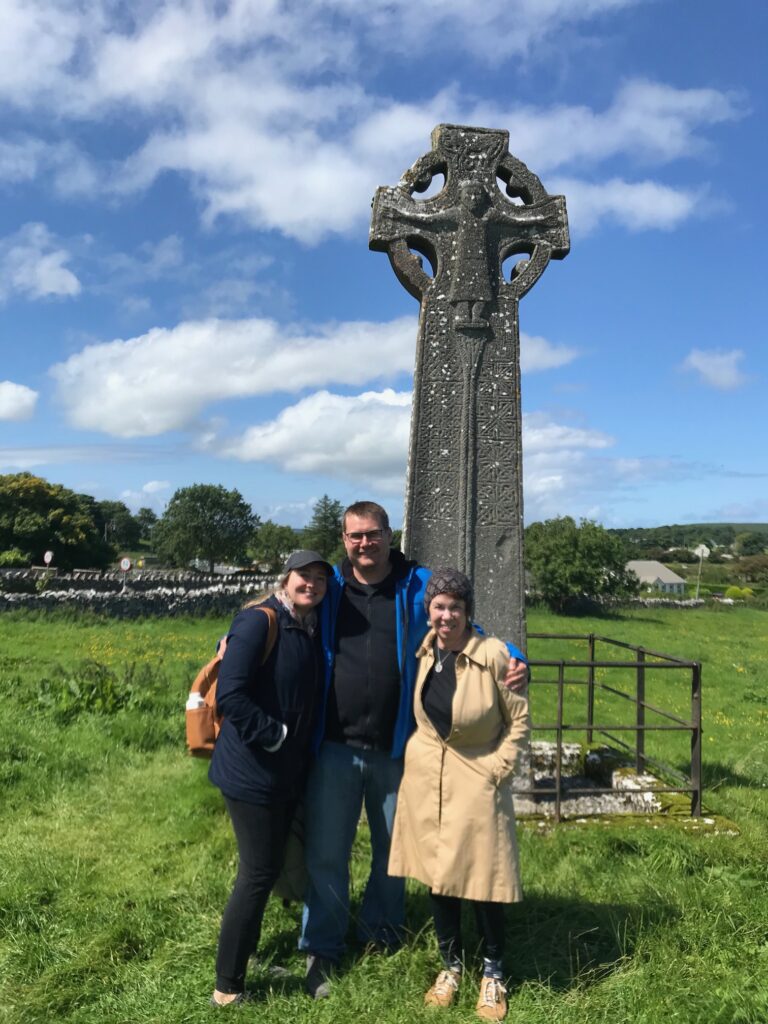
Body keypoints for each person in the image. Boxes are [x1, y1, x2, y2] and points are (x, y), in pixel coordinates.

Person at [298, 501, 528, 999]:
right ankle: (323, 945)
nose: (365, 544)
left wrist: (514, 656)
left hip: (399, 747)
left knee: (393, 852)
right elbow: (279, 604)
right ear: (345, 540)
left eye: (373, 534)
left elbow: (459, 621)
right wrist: (234, 637)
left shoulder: (415, 581)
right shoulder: (330, 586)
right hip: (335, 743)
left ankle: (382, 935)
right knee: (328, 853)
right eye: (356, 536)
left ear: (388, 534)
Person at [388, 569, 530, 1021]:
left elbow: (520, 720)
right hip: (429, 776)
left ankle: (492, 972)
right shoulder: (427, 650)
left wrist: (498, 769)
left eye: (455, 607)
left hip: (477, 773)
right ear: (428, 610)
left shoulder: (493, 655)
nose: (446, 615)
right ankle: (451, 965)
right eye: (439, 606)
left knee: (484, 877)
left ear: (469, 612)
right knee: (439, 875)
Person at [208, 550, 331, 1007]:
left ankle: (250, 957)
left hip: (280, 772)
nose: (312, 584)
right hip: (252, 771)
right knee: (258, 873)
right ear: (287, 577)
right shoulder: (260, 621)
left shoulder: (307, 625)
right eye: (305, 576)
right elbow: (232, 695)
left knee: (267, 868)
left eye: (320, 579)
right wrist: (275, 735)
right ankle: (227, 988)